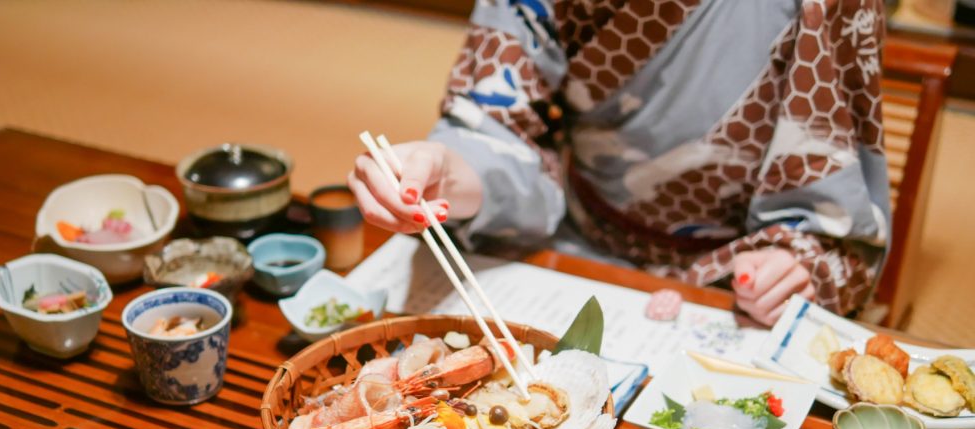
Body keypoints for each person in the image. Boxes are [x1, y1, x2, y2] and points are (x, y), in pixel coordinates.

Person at [348, 0, 890, 327]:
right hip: (573, 250)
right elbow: (497, 127)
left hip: (729, 283)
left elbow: (832, 211)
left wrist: (794, 266)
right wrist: (445, 165)